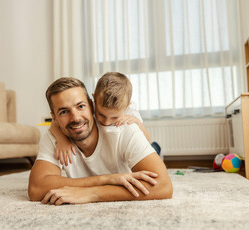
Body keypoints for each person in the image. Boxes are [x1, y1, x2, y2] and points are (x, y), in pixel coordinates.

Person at [28, 77, 173, 205]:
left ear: (91, 105)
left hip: (135, 152)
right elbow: (36, 188)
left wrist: (91, 193)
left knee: (153, 147)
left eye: (81, 106)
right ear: (55, 118)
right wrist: (106, 179)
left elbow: (163, 186)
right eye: (64, 112)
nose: (76, 118)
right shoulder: (56, 136)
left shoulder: (123, 128)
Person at [50, 72, 159, 166]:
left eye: (115, 117)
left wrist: (138, 123)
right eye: (101, 115)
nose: (106, 122)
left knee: (153, 149)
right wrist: (62, 140)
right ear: (94, 101)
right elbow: (54, 124)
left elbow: (147, 140)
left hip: (139, 147)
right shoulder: (88, 109)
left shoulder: (130, 112)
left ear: (127, 106)